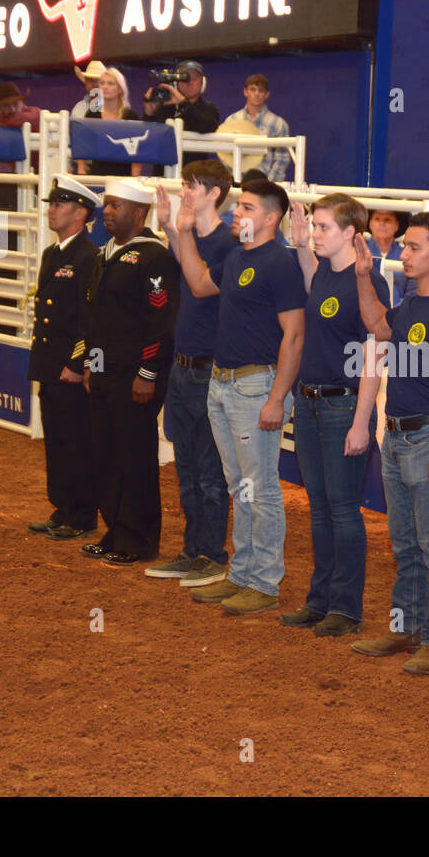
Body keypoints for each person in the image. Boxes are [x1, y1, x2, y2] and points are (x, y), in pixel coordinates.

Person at [160, 178, 305, 616]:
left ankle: (264, 582)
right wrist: (182, 231)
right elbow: (201, 285)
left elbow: (294, 335)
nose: (235, 213)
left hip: (255, 384)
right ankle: (243, 575)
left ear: (270, 218)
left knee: (259, 489)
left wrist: (278, 397)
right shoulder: (237, 254)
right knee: (239, 486)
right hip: (223, 383)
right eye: (237, 206)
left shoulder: (281, 263)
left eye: (244, 207)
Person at [351, 212, 429, 675]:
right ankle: (406, 628)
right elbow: (379, 329)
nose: (404, 254)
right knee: (405, 543)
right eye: (404, 246)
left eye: (414, 247)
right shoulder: (408, 304)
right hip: (399, 435)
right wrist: (364, 277)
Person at [276, 194, 386, 636]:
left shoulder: (368, 281)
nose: (316, 233)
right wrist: (304, 245)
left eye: (323, 228)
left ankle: (345, 606)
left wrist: (362, 421)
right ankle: (320, 600)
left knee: (342, 510)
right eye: (315, 226)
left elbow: (375, 355)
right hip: (311, 402)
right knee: (320, 508)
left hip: (343, 406)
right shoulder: (323, 270)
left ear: (349, 235)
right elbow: (311, 285)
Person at [146, 160, 239, 586]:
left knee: (209, 470)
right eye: (184, 183)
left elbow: (202, 284)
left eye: (193, 185)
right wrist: (171, 228)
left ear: (214, 193)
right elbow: (186, 269)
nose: (185, 190)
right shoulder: (194, 236)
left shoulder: (229, 243)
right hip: (183, 366)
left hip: (210, 370)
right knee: (186, 467)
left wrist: (176, 231)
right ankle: (192, 550)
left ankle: (213, 554)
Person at [79, 179, 180, 566]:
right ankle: (114, 530)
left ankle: (138, 539)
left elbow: (161, 321)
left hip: (135, 376)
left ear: (139, 213)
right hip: (104, 372)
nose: (106, 212)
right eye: (106, 205)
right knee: (106, 454)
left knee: (134, 457)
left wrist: (148, 373)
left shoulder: (154, 258)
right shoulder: (105, 253)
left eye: (116, 206)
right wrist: (91, 365)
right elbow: (95, 318)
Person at [26, 175, 103, 543]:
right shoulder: (51, 254)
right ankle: (63, 507)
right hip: (49, 363)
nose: (51, 211)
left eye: (59, 204)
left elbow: (90, 318)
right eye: (51, 204)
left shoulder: (89, 257)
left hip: (68, 367)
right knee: (56, 439)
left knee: (77, 441)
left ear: (81, 212)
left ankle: (83, 513)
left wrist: (77, 364)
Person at [143, 60, 219, 165]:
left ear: (202, 82)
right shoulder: (165, 107)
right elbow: (148, 139)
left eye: (195, 78)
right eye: (184, 78)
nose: (189, 82)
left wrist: (183, 103)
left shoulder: (209, 109)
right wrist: (149, 113)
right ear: (176, 82)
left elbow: (205, 127)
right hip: (163, 171)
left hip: (194, 172)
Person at [225, 74, 291, 182]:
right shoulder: (232, 120)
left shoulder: (278, 124)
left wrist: (269, 184)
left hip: (265, 184)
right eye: (252, 89)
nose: (256, 94)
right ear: (245, 92)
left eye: (261, 90)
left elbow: (282, 158)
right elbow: (224, 153)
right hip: (236, 182)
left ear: (267, 94)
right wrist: (233, 179)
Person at [77, 67, 141, 177]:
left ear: (120, 89)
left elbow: (137, 154)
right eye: (102, 83)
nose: (105, 87)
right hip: (98, 174)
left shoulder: (130, 116)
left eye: (111, 84)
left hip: (123, 177)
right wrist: (81, 170)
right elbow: (81, 143)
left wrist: (134, 178)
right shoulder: (93, 114)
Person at [0, 82, 41, 172]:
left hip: (38, 169)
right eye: (6, 106)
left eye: (15, 104)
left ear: (22, 102)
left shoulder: (35, 113)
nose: (12, 109)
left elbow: (19, 119)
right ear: (1, 107)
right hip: (12, 169)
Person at [366, 209, 410, 304]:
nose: (382, 223)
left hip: (398, 313)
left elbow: (413, 290)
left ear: (397, 225)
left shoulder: (406, 255)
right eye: (377, 219)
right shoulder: (358, 251)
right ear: (370, 224)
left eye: (387, 220)